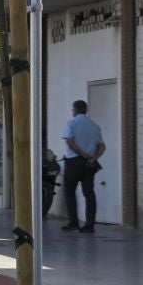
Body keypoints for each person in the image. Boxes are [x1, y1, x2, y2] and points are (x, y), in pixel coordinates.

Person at [61, 98, 106, 231]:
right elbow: (102, 147)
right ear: (86, 110)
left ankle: (73, 222)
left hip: (74, 162)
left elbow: (70, 142)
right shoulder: (94, 125)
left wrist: (83, 155)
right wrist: (93, 158)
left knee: (69, 191)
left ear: (74, 110)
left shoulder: (71, 123)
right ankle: (90, 225)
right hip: (89, 164)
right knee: (89, 193)